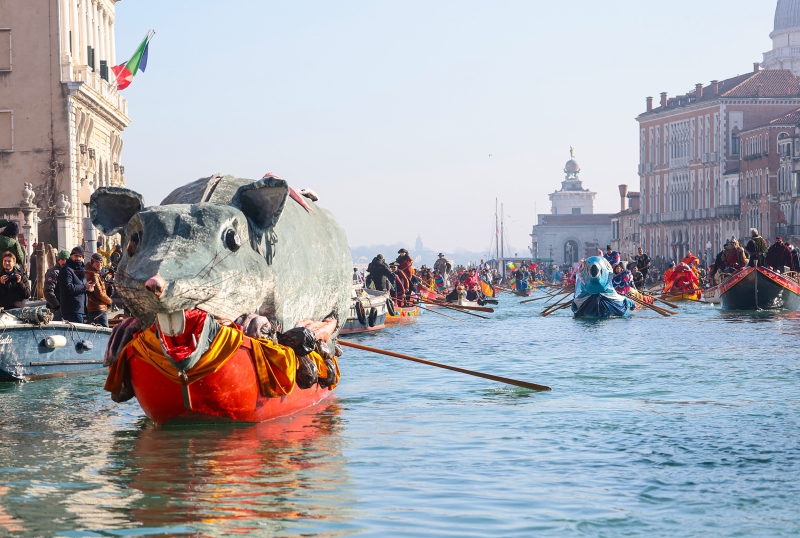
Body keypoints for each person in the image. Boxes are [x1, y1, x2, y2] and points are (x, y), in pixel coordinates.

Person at [58, 246, 95, 323]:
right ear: (71, 256)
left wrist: (89, 290)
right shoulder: (66, 270)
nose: (78, 258)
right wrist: (85, 287)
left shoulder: (82, 270)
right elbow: (67, 287)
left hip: (82, 309)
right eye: (76, 256)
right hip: (72, 310)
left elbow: (82, 288)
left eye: (80, 256)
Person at [86, 252, 112, 326]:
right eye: (97, 262)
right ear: (92, 262)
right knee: (104, 333)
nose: (99, 264)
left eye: (101, 262)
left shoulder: (96, 273)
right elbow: (99, 294)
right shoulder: (93, 274)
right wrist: (109, 301)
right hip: (98, 309)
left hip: (97, 308)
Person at [44, 249, 69, 320]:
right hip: (56, 310)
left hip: (65, 308)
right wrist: (57, 306)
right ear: (58, 260)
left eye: (66, 259)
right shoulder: (53, 272)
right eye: (62, 259)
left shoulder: (67, 272)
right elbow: (48, 291)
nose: (64, 262)